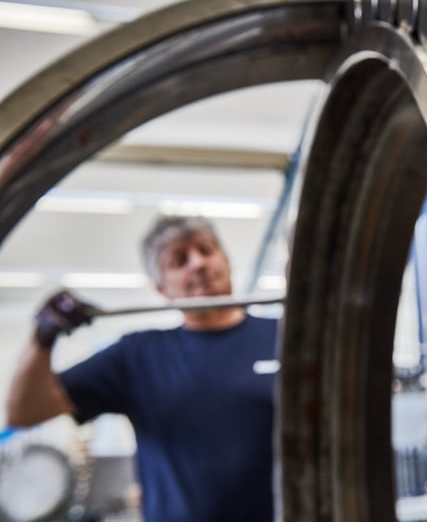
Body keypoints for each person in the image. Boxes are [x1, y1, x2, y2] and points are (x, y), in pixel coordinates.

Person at [5, 215, 279, 521]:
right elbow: (26, 412)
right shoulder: (138, 356)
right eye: (179, 260)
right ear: (162, 288)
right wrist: (42, 337)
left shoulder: (286, 338)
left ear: (226, 260)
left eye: (206, 249)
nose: (198, 263)